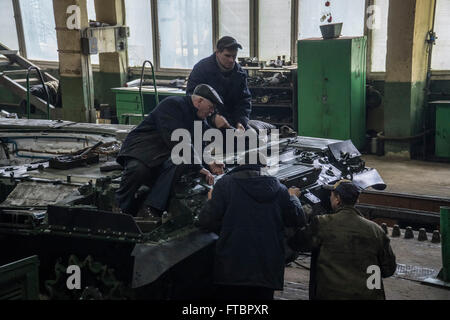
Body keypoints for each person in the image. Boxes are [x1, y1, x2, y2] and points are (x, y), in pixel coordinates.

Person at [197, 163, 306, 300]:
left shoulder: (225, 185)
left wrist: (211, 201)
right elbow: (298, 220)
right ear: (264, 166)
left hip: (232, 267)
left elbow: (206, 221)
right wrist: (294, 198)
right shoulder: (280, 189)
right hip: (267, 269)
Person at [115, 84, 225, 216]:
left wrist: (210, 163)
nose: (212, 112)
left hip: (165, 153)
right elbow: (178, 140)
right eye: (211, 107)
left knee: (182, 161)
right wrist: (198, 167)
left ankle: (150, 207)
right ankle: (120, 207)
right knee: (138, 170)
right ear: (199, 101)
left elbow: (199, 146)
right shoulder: (173, 105)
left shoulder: (200, 119)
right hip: (144, 149)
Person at [299, 180, 397, 300]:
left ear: (337, 198)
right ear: (357, 200)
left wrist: (301, 213)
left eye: (331, 196)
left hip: (331, 295)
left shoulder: (322, 223)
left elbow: (298, 244)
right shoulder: (376, 230)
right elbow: (388, 269)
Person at [186, 36, 252, 132]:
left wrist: (241, 122)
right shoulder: (201, 69)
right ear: (217, 53)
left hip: (232, 123)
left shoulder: (240, 74)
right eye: (227, 56)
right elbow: (192, 98)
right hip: (205, 121)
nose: (231, 60)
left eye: (234, 56)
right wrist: (213, 117)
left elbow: (244, 101)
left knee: (253, 138)